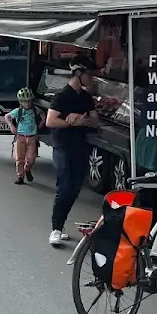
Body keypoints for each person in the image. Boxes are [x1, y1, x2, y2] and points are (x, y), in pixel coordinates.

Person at [45, 56, 100, 246]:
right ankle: (56, 229)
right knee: (65, 186)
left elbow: (95, 121)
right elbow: (50, 121)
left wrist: (81, 119)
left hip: (81, 147)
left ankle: (60, 225)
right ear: (78, 73)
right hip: (63, 147)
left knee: (75, 188)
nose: (92, 78)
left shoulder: (86, 98)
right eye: (89, 74)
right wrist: (71, 121)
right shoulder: (62, 96)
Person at [5, 87, 45, 186]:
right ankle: (20, 176)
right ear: (20, 102)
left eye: (28, 101)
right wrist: (11, 126)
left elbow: (43, 114)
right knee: (19, 158)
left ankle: (27, 169)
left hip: (32, 138)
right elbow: (7, 116)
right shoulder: (18, 111)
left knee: (31, 158)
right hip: (20, 137)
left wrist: (42, 123)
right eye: (24, 102)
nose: (27, 104)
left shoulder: (35, 110)